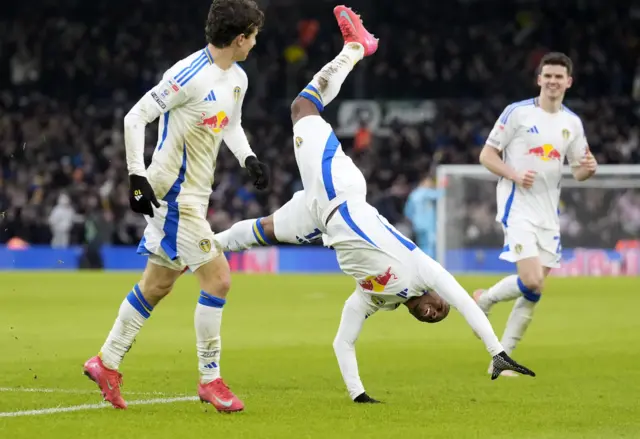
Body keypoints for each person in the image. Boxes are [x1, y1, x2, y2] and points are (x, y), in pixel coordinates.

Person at [215, 5, 535, 402]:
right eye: (439, 309)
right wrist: (496, 351)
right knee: (301, 108)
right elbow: (465, 303)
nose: (434, 313)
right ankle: (355, 48)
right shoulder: (422, 270)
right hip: (340, 193)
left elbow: (343, 342)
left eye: (433, 319)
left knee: (262, 232)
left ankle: (204, 245)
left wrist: (358, 395)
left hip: (320, 216)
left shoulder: (374, 298)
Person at [83, 0, 269, 412]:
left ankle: (106, 362)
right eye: (253, 36)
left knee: (157, 285)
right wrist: (136, 176)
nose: (255, 44)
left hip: (195, 198)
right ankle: (210, 379)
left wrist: (248, 157)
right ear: (239, 38)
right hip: (172, 196)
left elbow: (231, 124)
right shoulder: (187, 75)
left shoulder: (237, 77)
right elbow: (135, 118)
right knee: (218, 280)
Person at [474, 52, 598, 376]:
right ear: (539, 79)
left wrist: (590, 169)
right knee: (532, 279)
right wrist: (514, 174)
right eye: (548, 76)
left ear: (568, 82)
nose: (553, 81)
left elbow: (578, 170)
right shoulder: (517, 113)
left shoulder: (572, 124)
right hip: (518, 207)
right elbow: (486, 155)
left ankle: (500, 360)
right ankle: (485, 302)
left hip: (549, 214)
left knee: (535, 289)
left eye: (559, 77)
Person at [404, 175, 443, 259]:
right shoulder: (426, 192)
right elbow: (439, 195)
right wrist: (443, 185)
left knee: (421, 245)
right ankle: (430, 264)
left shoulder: (413, 194)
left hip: (417, 224)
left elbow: (407, 212)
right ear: (424, 182)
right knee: (430, 244)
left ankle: (422, 263)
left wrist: (414, 221)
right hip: (428, 224)